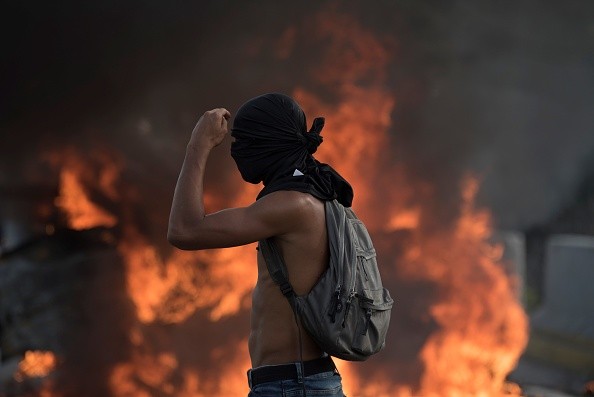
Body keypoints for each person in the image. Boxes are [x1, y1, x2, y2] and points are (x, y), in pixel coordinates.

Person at [168, 93, 353, 396]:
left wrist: (198, 145)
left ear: (269, 143)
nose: (238, 152)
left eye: (246, 142)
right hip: (297, 383)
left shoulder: (293, 204)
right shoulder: (312, 193)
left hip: (294, 387)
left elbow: (184, 230)